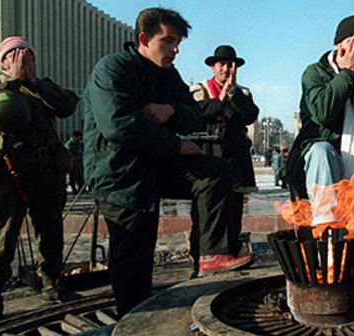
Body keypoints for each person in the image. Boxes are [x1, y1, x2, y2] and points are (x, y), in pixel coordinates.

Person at [83, 8, 252, 317]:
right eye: (169, 41)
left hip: (155, 165)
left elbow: (194, 112)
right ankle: (132, 321)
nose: (176, 50)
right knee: (134, 259)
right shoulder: (111, 70)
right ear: (144, 39)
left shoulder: (168, 75)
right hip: (120, 175)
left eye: (178, 43)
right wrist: (175, 144)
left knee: (217, 172)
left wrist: (170, 110)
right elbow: (118, 128)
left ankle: (211, 255)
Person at [0, 36, 79, 323]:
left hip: (45, 169)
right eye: (16, 55)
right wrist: (11, 82)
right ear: (3, 61)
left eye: (28, 55)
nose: (23, 60)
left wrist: (33, 82)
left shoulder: (43, 88)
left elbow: (67, 105)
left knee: (51, 229)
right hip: (7, 171)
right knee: (0, 235)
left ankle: (52, 285)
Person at [286, 15, 354, 227]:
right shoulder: (315, 73)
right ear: (338, 45)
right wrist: (347, 74)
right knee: (321, 151)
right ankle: (326, 227)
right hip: (320, 166)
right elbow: (322, 112)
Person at [189, 45, 259, 260]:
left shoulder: (242, 93)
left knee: (234, 206)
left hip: (234, 155)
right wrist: (217, 103)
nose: (226, 69)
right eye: (222, 65)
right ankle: (200, 251)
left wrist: (231, 94)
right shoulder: (198, 91)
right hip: (208, 154)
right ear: (213, 67)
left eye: (231, 65)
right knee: (205, 206)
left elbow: (249, 115)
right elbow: (192, 115)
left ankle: (230, 250)